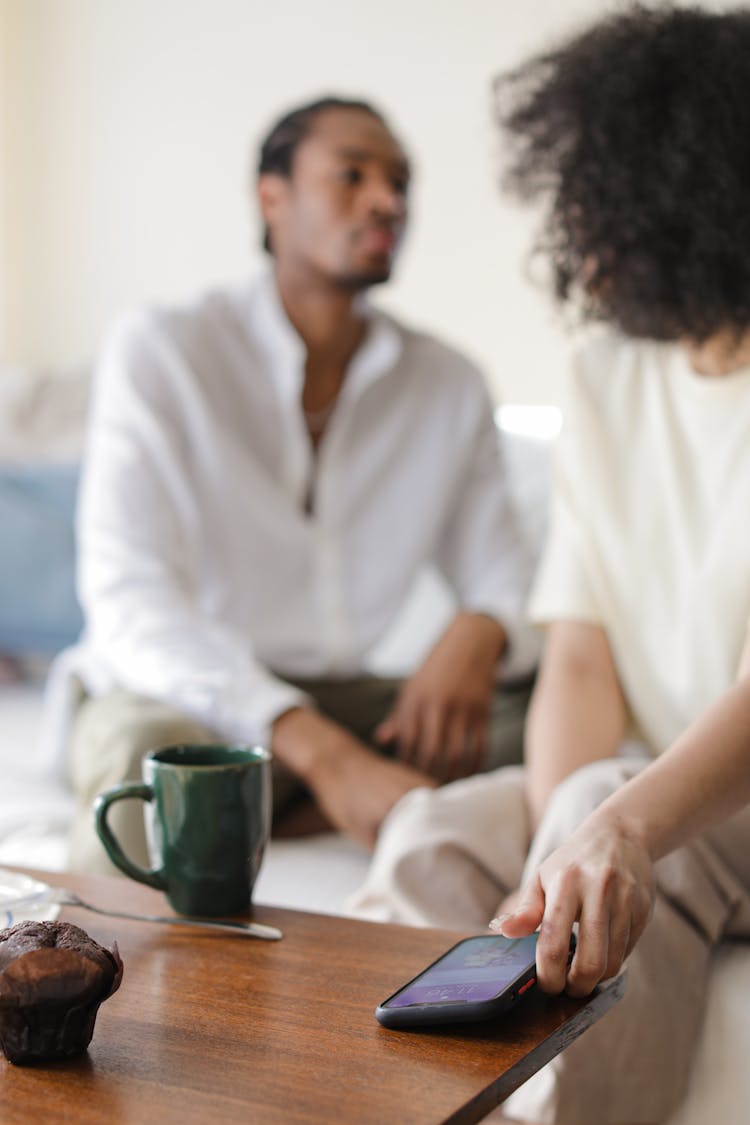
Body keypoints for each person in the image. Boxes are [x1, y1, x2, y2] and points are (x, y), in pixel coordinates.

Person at [346, 8, 750, 1124]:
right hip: (642, 773)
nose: (576, 234)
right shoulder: (608, 374)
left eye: (597, 198)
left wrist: (606, 825)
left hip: (727, 788)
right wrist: (554, 847)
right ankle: (349, 1103)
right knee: (431, 832)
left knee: (597, 806)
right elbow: (578, 654)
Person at [65, 95, 538, 875]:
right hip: (185, 693)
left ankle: (278, 803)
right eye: (352, 175)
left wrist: (481, 627)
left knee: (552, 714)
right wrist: (322, 753)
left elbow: (507, 574)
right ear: (271, 196)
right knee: (145, 753)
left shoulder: (448, 383)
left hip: (348, 697)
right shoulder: (164, 350)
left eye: (399, 181)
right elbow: (129, 602)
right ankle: (294, 798)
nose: (388, 200)